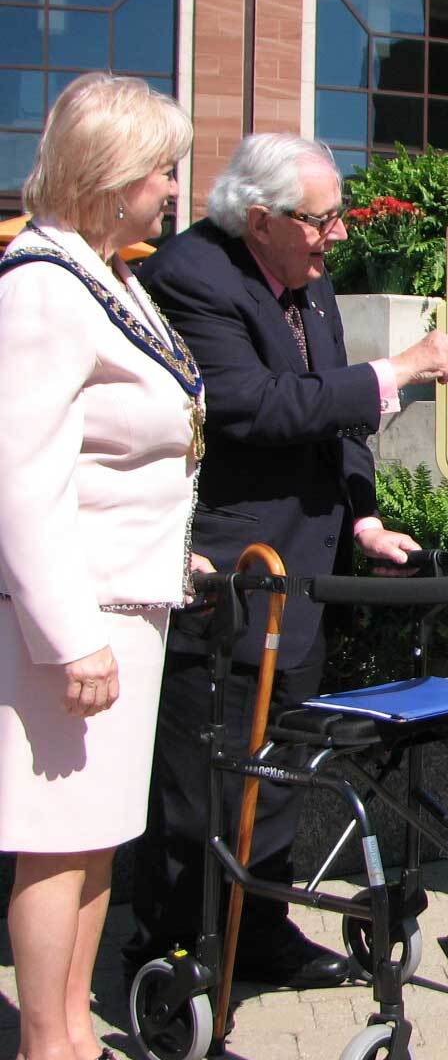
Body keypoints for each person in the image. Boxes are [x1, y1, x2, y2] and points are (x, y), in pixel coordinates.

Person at [125, 134, 448, 988]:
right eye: (322, 220)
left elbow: (336, 416)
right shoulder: (190, 278)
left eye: (338, 215)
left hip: (302, 575)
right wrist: (398, 368)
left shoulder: (308, 278)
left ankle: (261, 935)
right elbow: (253, 406)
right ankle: (175, 955)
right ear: (261, 221)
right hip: (227, 574)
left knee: (279, 766)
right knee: (203, 778)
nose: (339, 234)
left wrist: (364, 518)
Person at [0, 73, 201, 1060]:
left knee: (96, 833)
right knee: (57, 836)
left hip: (129, 605)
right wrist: (71, 636)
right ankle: (48, 1043)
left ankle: (74, 1029)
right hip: (76, 618)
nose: (173, 187)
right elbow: (21, 477)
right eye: (162, 168)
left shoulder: (106, 274)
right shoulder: (42, 284)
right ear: (112, 173)